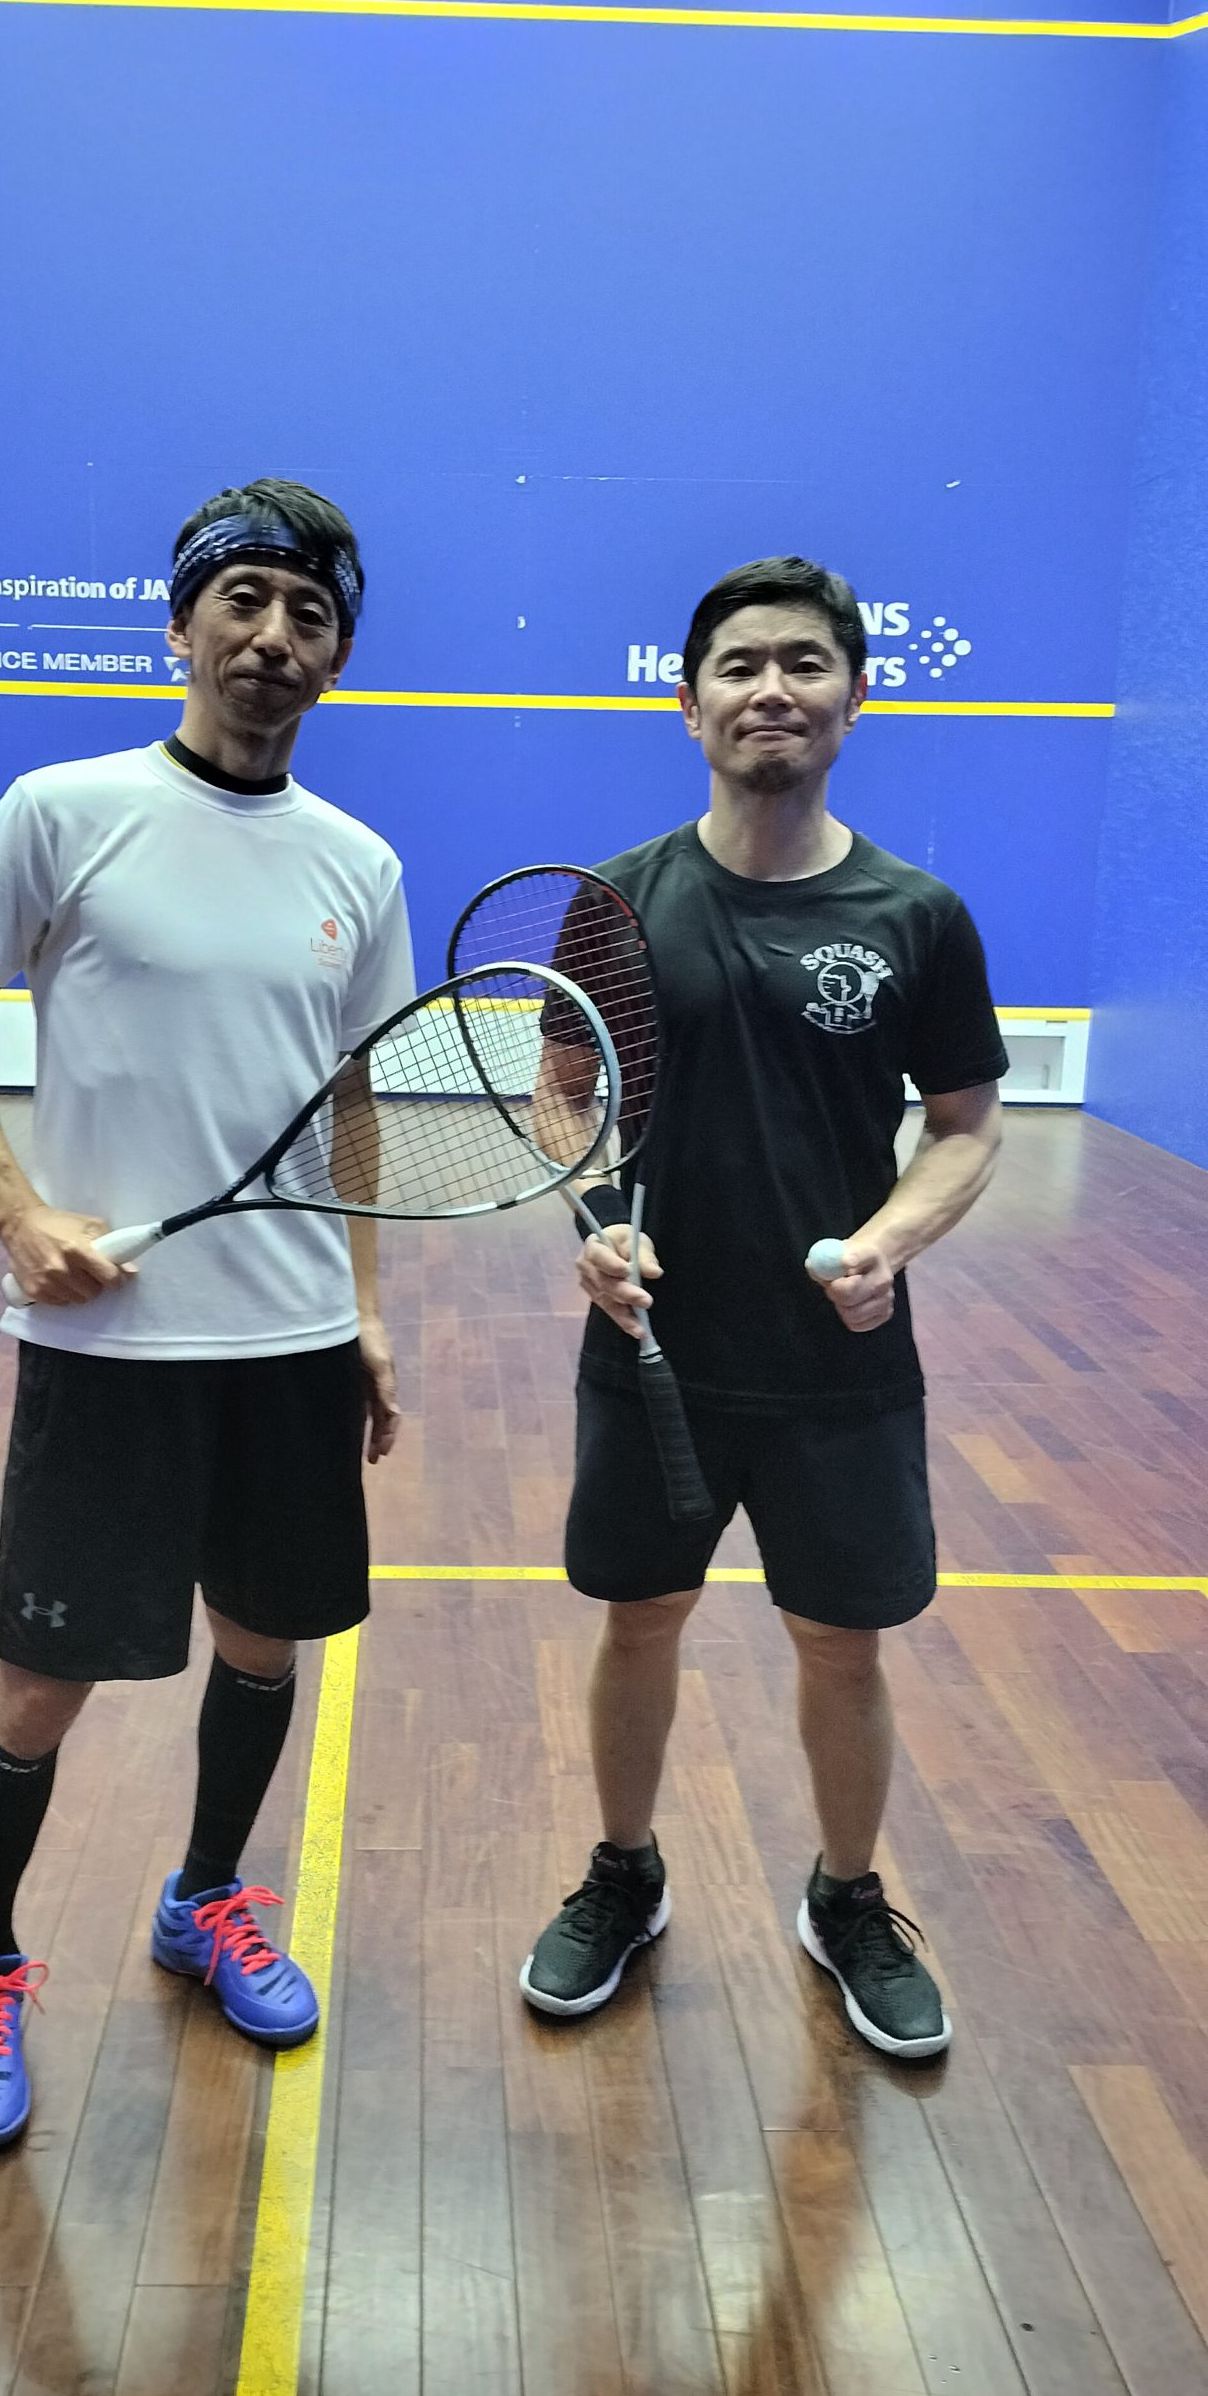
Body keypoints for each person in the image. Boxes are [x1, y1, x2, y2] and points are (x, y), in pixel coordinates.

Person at [0, 478, 414, 2150]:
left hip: (289, 1342)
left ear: (338, 656)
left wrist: (367, 1308)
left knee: (265, 1646)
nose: (272, 637)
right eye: (243, 600)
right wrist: (18, 1212)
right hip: (106, 1349)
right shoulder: (63, 809)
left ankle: (206, 1899)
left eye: (309, 615)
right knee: (40, 1681)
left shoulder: (359, 863)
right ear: (182, 621)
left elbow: (353, 1101)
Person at [519, 556, 1005, 2057]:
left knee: (844, 1645)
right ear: (690, 705)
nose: (771, 689)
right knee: (641, 1621)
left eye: (804, 662)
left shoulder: (917, 914)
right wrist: (594, 1220)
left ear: (855, 698)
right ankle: (624, 1874)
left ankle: (846, 1898)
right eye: (739, 666)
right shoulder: (621, 901)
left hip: (841, 1368)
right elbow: (562, 1089)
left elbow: (968, 1127)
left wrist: (889, 1245)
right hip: (654, 1352)